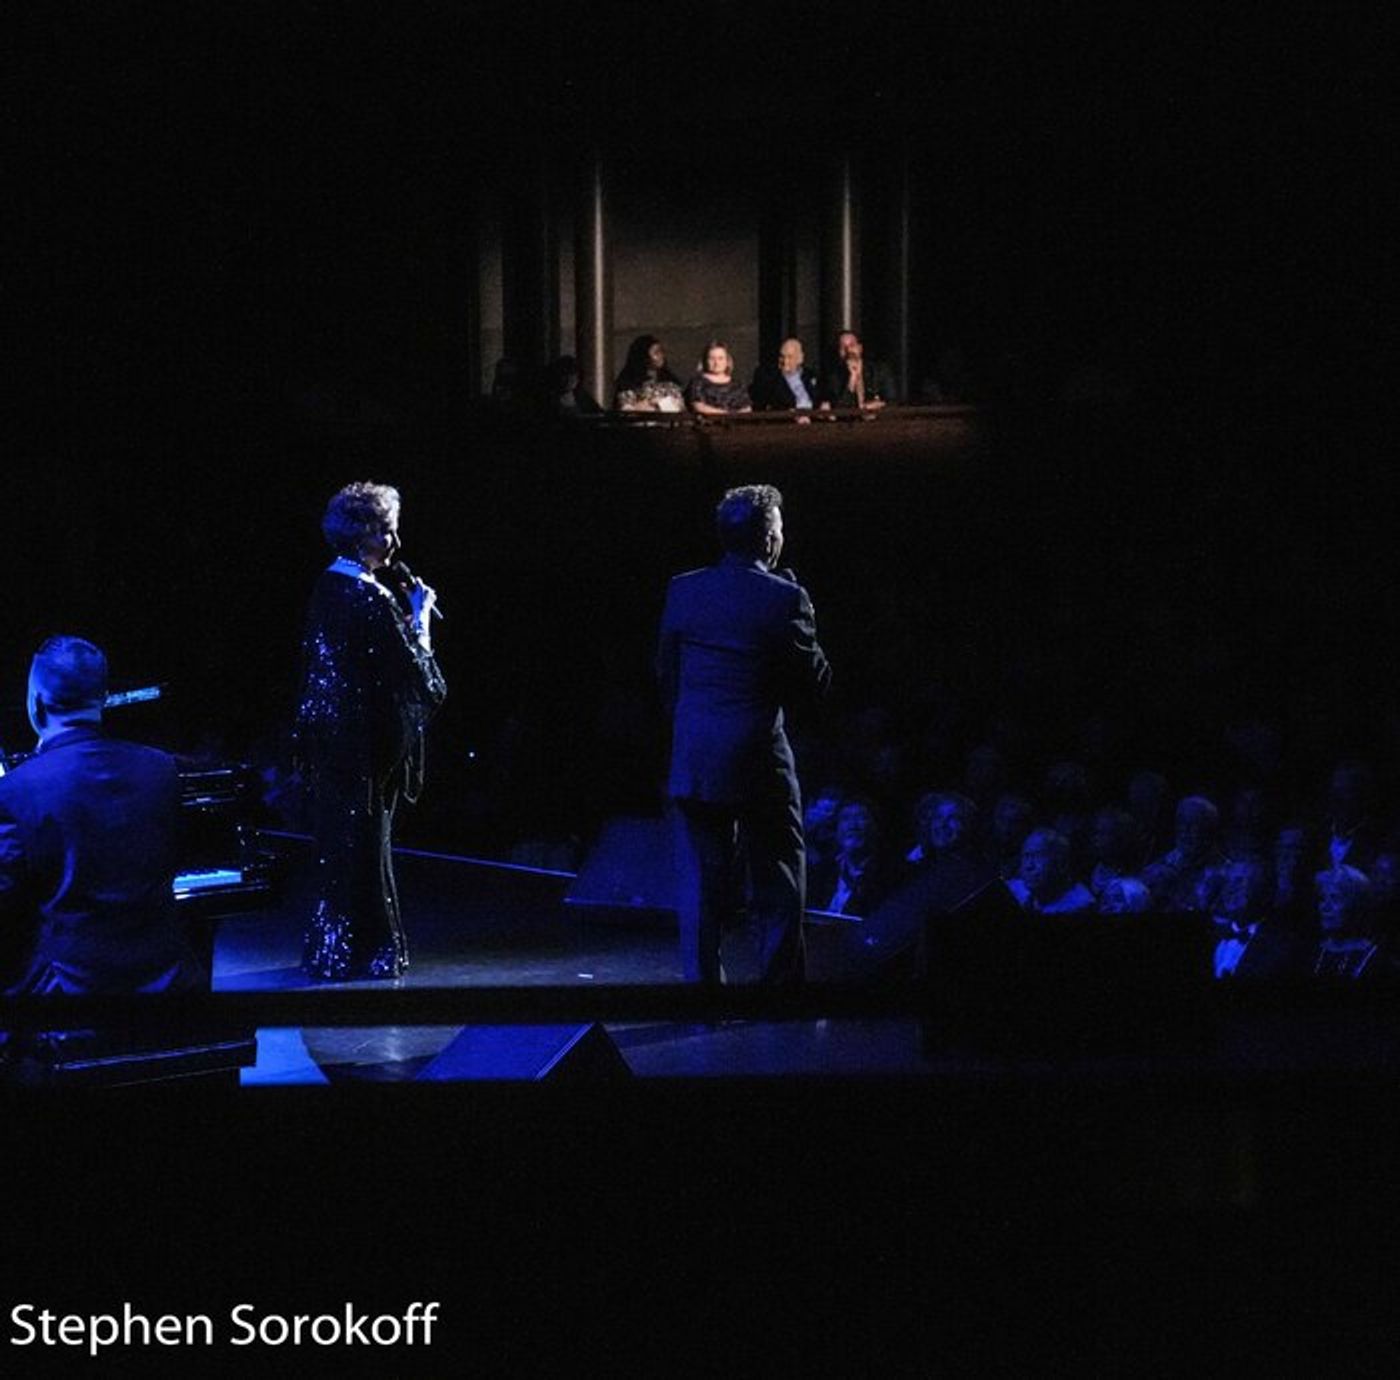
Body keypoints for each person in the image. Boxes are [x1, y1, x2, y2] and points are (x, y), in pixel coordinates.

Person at [658, 484, 832, 984]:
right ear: (769, 538)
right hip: (758, 758)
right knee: (778, 876)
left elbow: (665, 672)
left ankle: (703, 999)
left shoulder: (683, 589)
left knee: (700, 887)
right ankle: (776, 995)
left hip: (695, 756)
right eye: (780, 528)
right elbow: (816, 684)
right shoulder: (786, 597)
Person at [294, 481, 447, 981]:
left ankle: (334, 952)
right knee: (364, 847)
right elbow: (419, 677)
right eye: (386, 532)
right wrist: (420, 616)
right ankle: (368, 952)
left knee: (340, 848)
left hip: (330, 742)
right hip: (363, 748)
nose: (395, 544)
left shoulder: (326, 587)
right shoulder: (368, 596)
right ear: (361, 535)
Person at [0, 636, 204, 1006]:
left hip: (69, 1003)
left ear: (36, 703)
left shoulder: (15, 791)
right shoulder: (161, 769)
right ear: (104, 698)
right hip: (167, 984)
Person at [749, 337, 827, 415]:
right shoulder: (771, 379)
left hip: (814, 418)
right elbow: (765, 404)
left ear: (800, 359)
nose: (785, 361)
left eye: (790, 357)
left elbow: (820, 398)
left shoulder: (810, 375)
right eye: (782, 357)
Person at [825, 329, 898, 410]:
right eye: (843, 347)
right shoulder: (834, 376)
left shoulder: (879, 370)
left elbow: (892, 402)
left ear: (860, 348)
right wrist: (852, 379)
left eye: (852, 345)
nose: (848, 350)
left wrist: (878, 405)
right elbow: (840, 408)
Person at [612, 335, 686, 412]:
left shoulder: (671, 382)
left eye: (661, 352)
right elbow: (626, 409)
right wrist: (650, 403)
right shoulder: (628, 383)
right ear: (644, 356)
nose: (661, 356)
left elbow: (679, 407)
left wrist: (659, 404)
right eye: (656, 353)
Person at [684, 341, 753, 415]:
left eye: (720, 358)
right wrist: (724, 415)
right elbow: (698, 406)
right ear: (705, 361)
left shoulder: (738, 385)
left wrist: (734, 417)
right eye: (712, 359)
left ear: (727, 361)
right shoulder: (698, 383)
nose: (716, 363)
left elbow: (746, 408)